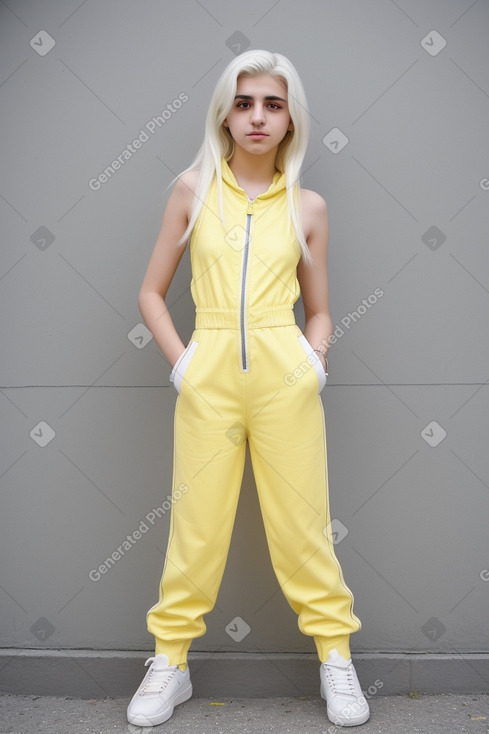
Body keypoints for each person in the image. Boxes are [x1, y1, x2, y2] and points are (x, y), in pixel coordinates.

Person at [127, 49, 370, 728]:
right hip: (207, 379)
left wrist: (312, 365)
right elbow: (149, 292)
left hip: (283, 378)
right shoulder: (191, 190)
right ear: (223, 115)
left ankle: (335, 659)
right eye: (243, 103)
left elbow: (318, 307)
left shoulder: (309, 206)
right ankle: (169, 663)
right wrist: (183, 365)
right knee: (195, 528)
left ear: (291, 117)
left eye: (271, 103)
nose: (257, 117)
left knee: (302, 529)